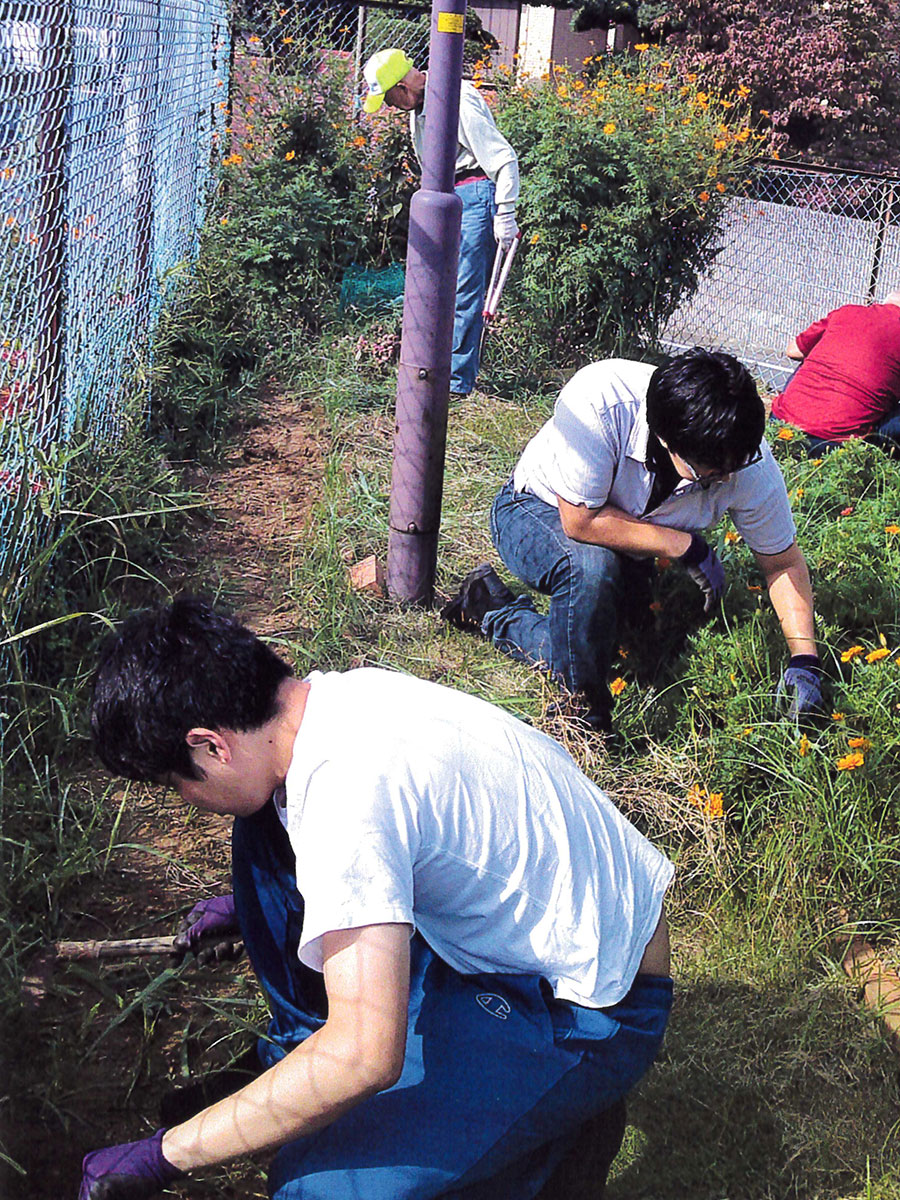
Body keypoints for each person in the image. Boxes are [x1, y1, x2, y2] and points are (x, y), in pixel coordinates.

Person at [79, 595, 674, 1200]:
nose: (186, 799)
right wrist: (254, 905)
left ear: (211, 746)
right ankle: (529, 1119)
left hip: (591, 1010)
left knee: (315, 1186)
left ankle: (562, 1125)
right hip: (570, 931)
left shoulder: (347, 795)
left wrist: (164, 1155)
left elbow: (365, 1057)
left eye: (175, 783)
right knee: (261, 826)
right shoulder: (337, 700)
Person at [442, 349, 822, 732]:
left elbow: (782, 563)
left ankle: (488, 607)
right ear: (665, 438)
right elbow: (580, 522)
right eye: (711, 471)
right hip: (533, 511)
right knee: (591, 571)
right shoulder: (601, 400)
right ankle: (583, 723)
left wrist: (804, 661)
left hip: (628, 542)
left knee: (612, 649)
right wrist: (684, 546)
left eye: (734, 467)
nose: (725, 480)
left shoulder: (744, 459)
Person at [362, 47, 519, 397]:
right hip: (446, 198)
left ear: (403, 87)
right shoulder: (418, 108)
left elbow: (503, 158)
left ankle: (458, 385)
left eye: (388, 97)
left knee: (464, 292)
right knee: (436, 288)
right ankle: (434, 368)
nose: (388, 106)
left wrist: (505, 211)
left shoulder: (456, 99)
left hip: (476, 193)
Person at [771, 291, 900, 454]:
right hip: (835, 444)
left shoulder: (847, 312)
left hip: (780, 425)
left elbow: (793, 351)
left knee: (810, 355)